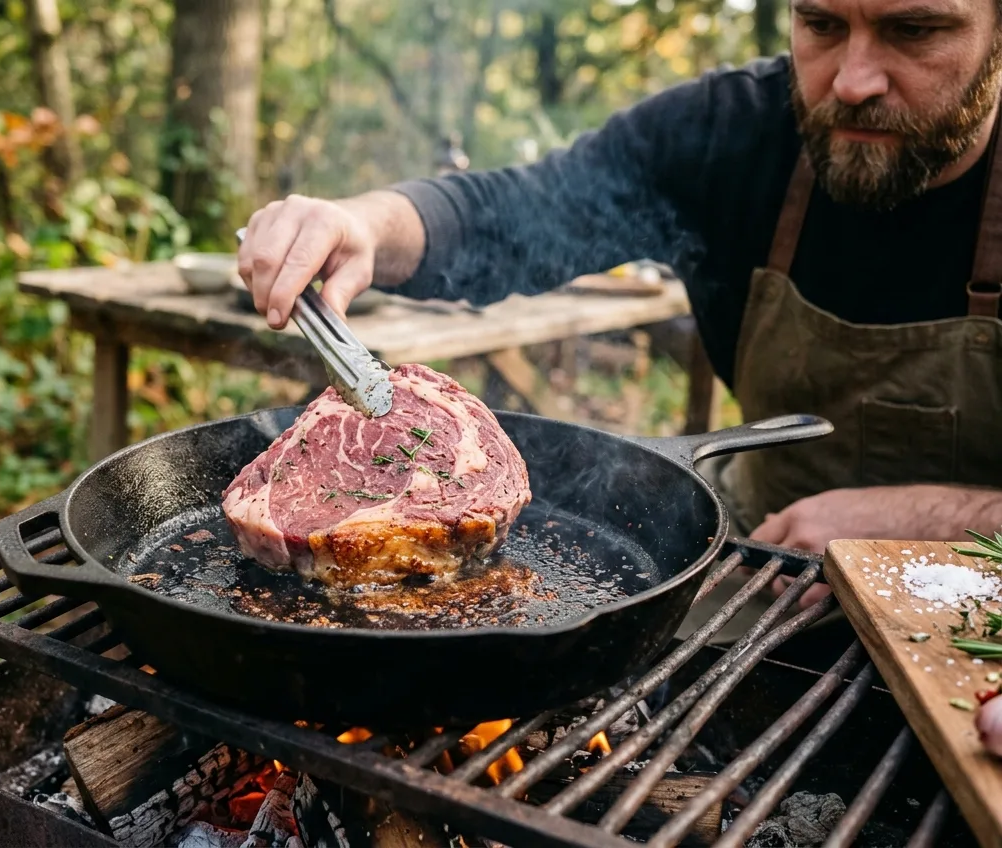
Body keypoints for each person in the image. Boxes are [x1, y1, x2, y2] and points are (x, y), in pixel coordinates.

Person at [236, 0, 1002, 624]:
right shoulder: (729, 130)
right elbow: (520, 210)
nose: (853, 79)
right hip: (774, 576)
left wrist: (935, 522)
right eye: (822, 26)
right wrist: (365, 221)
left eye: (915, 29)